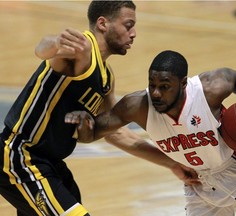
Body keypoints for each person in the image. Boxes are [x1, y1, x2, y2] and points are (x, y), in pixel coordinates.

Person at [0, 2, 196, 216]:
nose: (133, 34)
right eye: (128, 25)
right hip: (21, 156)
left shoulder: (106, 77)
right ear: (103, 23)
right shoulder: (82, 49)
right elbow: (42, 49)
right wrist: (56, 42)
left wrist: (171, 163)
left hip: (51, 165)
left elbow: (116, 133)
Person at [65, 50, 236, 216]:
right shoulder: (137, 106)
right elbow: (93, 133)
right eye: (151, 84)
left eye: (164, 86)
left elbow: (234, 78)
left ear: (182, 84)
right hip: (199, 185)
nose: (156, 93)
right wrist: (84, 123)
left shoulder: (207, 90)